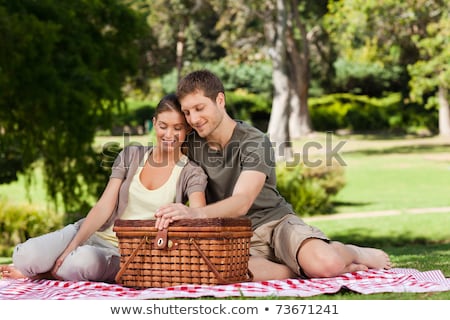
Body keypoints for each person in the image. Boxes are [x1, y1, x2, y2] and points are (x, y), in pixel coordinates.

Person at [154, 70, 392, 281]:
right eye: (187, 112)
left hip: (275, 222)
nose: (193, 119)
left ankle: (355, 252)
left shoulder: (254, 141)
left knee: (326, 265)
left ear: (220, 100)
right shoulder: (191, 142)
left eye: (199, 108)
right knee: (223, 269)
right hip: (237, 237)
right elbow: (159, 157)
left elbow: (242, 201)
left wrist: (195, 214)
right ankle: (299, 268)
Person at [0, 94, 207, 282]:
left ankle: (43, 274)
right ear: (154, 123)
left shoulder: (191, 172)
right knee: (25, 256)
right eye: (163, 126)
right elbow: (104, 206)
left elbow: (200, 218)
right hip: (92, 232)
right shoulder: (131, 155)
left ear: (187, 129)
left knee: (82, 262)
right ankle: (45, 268)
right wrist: (72, 245)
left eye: (177, 128)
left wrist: (186, 214)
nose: (169, 134)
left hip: (124, 254)